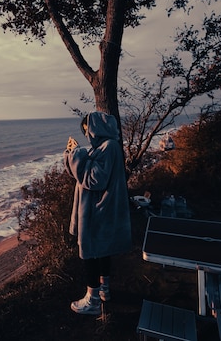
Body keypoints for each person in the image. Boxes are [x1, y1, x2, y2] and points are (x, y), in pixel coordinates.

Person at [63, 111, 132, 315]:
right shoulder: (105, 147)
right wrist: (71, 155)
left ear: (96, 128)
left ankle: (92, 300)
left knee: (91, 253)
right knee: (102, 252)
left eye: (87, 129)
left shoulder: (108, 147)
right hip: (99, 211)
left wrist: (77, 154)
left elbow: (94, 180)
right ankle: (104, 290)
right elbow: (80, 175)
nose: (87, 134)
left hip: (96, 212)